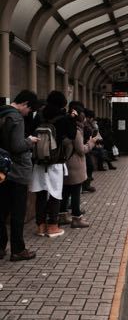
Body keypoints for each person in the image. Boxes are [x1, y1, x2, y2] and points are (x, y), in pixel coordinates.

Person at [30, 91, 77, 238]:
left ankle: (40, 227)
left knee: (41, 194)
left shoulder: (38, 115)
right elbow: (72, 135)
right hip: (55, 162)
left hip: (38, 161)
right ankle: (52, 226)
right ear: (63, 103)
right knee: (55, 194)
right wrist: (72, 118)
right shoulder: (63, 118)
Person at [0, 90, 39, 261]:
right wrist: (30, 141)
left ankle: (0, 247)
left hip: (2, 169)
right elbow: (16, 146)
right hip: (16, 172)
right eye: (29, 110)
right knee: (17, 213)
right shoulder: (15, 118)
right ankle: (18, 249)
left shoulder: (1, 112)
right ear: (25, 104)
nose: (28, 113)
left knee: (1, 211)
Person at [59, 104, 97, 228]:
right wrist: (91, 143)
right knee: (75, 192)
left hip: (65, 164)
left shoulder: (64, 127)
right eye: (83, 114)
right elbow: (81, 150)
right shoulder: (76, 131)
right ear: (79, 115)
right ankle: (76, 218)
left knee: (65, 191)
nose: (84, 117)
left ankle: (62, 215)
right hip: (75, 165)